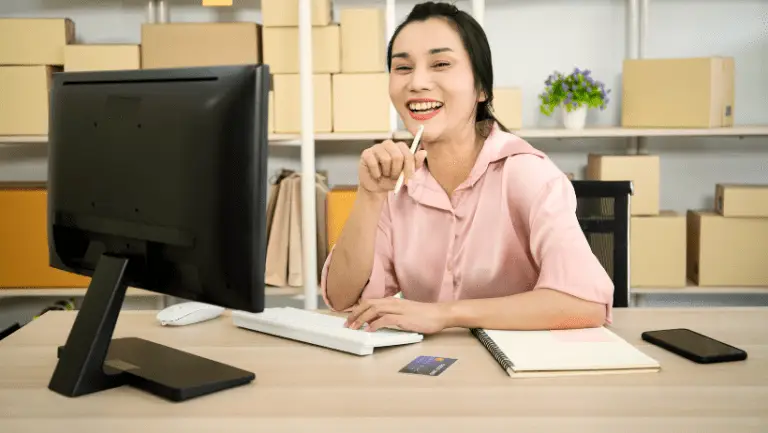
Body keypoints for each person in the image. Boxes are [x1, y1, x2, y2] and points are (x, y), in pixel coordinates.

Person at [321, 1, 614, 335]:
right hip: (427, 374)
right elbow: (342, 299)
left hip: (518, 375)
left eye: (441, 63)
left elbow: (585, 304)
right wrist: (370, 197)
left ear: (482, 89)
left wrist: (445, 314)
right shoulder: (395, 183)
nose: (417, 82)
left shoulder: (527, 175)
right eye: (402, 68)